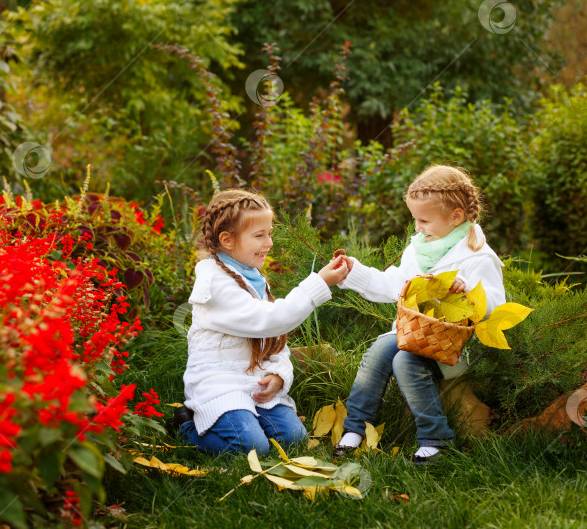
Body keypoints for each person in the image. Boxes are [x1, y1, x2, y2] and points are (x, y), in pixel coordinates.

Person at [333, 164, 506, 465]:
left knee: (405, 360)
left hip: (455, 346)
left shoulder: (477, 256)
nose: (417, 228)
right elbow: (396, 285)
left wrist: (469, 293)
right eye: (415, 219)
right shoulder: (420, 249)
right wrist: (354, 271)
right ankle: (355, 428)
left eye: (424, 220)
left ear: (456, 216)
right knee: (378, 351)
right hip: (415, 335)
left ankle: (435, 439)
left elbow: (496, 304)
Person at [174, 189, 349, 455]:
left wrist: (278, 374)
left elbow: (274, 340)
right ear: (227, 240)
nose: (269, 242)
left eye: (269, 233)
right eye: (259, 236)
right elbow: (271, 321)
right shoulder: (215, 285)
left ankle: (244, 421)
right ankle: (187, 427)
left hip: (253, 383)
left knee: (293, 439)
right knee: (252, 447)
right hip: (220, 384)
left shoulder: (252, 277)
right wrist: (319, 283)